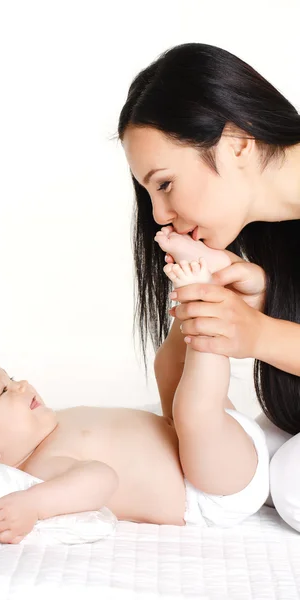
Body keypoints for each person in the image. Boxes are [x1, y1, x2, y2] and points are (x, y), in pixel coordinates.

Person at [0, 243, 269, 544]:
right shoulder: (40, 471)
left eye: (10, 377)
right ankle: (204, 305)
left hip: (210, 442)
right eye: (4, 391)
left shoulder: (49, 428)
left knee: (168, 370)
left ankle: (193, 300)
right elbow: (99, 480)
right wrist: (33, 505)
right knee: (194, 410)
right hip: (211, 488)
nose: (23, 384)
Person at [118, 42, 300, 531]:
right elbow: (175, 387)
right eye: (148, 193)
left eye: (165, 184)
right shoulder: (264, 233)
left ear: (237, 140)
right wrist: (224, 302)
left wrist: (257, 332)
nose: (158, 216)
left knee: (291, 478)